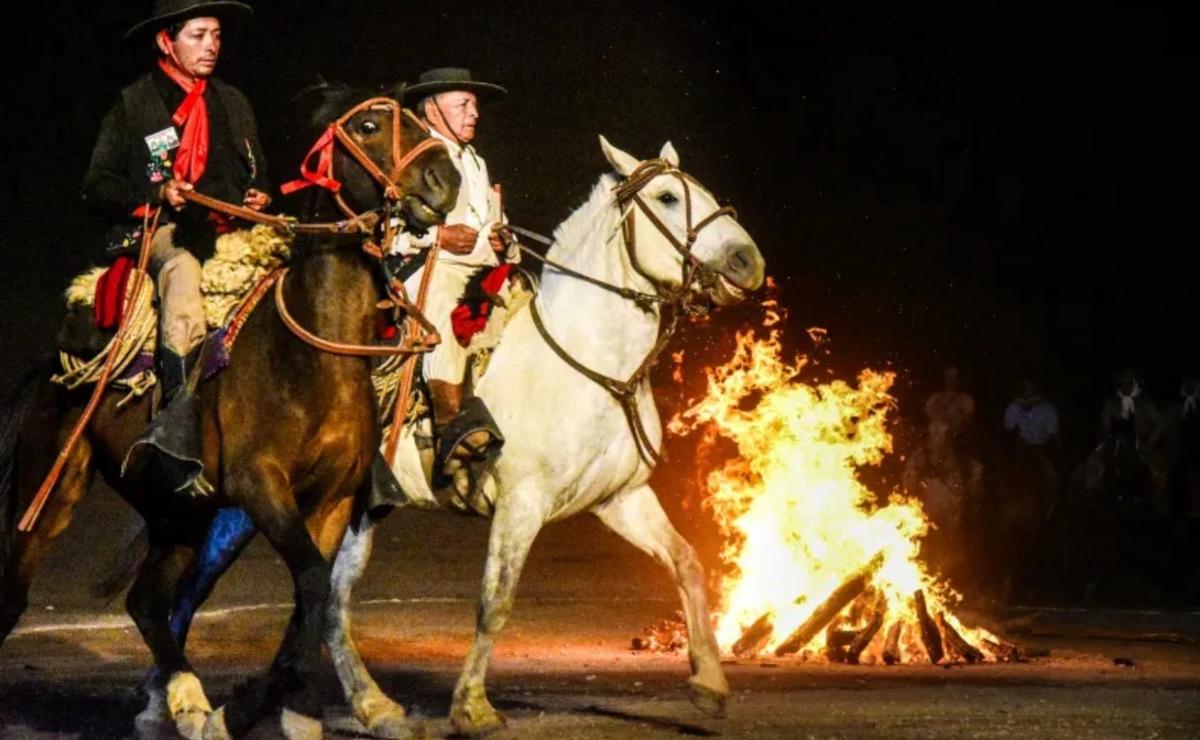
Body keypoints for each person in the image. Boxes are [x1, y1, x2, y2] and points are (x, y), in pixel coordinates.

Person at [84, 0, 271, 495]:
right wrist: (155, 194)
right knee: (183, 274)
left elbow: (256, 171)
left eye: (215, 35)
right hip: (166, 231)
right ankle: (177, 423)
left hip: (235, 232)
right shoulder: (135, 105)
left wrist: (259, 192)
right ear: (166, 40)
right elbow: (97, 184)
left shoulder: (233, 102)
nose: (211, 45)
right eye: (198, 35)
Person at [392, 67, 517, 466]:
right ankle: (448, 420)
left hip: (483, 270)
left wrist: (504, 241)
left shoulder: (476, 162)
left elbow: (492, 219)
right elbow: (386, 228)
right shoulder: (415, 157)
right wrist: (437, 239)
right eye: (463, 104)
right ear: (431, 111)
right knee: (446, 306)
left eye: (475, 105)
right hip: (430, 269)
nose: (474, 113)